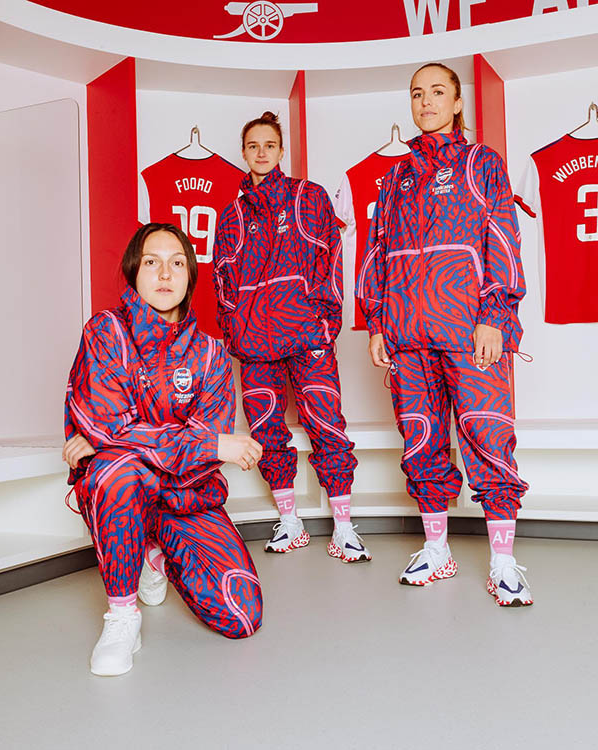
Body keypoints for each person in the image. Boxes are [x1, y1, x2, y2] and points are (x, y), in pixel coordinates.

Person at [357, 63, 533, 606]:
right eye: (417, 93)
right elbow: (376, 254)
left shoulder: (484, 163)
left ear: (457, 103)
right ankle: (438, 550)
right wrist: (377, 321)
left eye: (438, 92)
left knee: (489, 438)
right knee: (421, 443)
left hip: (468, 333)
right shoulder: (394, 176)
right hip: (406, 333)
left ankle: (503, 561)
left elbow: (503, 239)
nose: (426, 101)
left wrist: (495, 317)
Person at [63, 223, 264, 676]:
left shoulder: (211, 354)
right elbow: (117, 426)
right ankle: (122, 617)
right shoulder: (105, 332)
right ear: (134, 272)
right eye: (152, 262)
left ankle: (152, 543)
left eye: (177, 263)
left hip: (184, 497)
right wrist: (213, 444)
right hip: (123, 486)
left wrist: (108, 439)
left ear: (191, 276)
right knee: (114, 471)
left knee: (241, 615)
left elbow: (125, 436)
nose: (165, 274)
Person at [213, 112, 371, 563]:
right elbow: (221, 283)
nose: (261, 152)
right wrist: (234, 334)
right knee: (266, 431)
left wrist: (326, 326)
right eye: (253, 146)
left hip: (308, 339)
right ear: (243, 153)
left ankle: (344, 527)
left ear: (281, 151)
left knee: (327, 427)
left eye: (269, 144)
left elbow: (331, 261)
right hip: (254, 346)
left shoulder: (309, 195)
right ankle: (290, 521)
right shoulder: (231, 216)